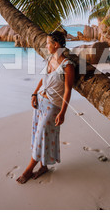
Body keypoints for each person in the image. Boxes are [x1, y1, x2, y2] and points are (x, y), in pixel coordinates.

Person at [16, 31, 76, 184]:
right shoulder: (49, 59)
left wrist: (63, 112)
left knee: (41, 137)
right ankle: (43, 167)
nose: (46, 45)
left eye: (48, 43)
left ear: (56, 45)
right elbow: (43, 80)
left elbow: (68, 90)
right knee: (39, 135)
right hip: (40, 103)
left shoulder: (67, 66)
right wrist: (34, 94)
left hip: (53, 106)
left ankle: (28, 170)